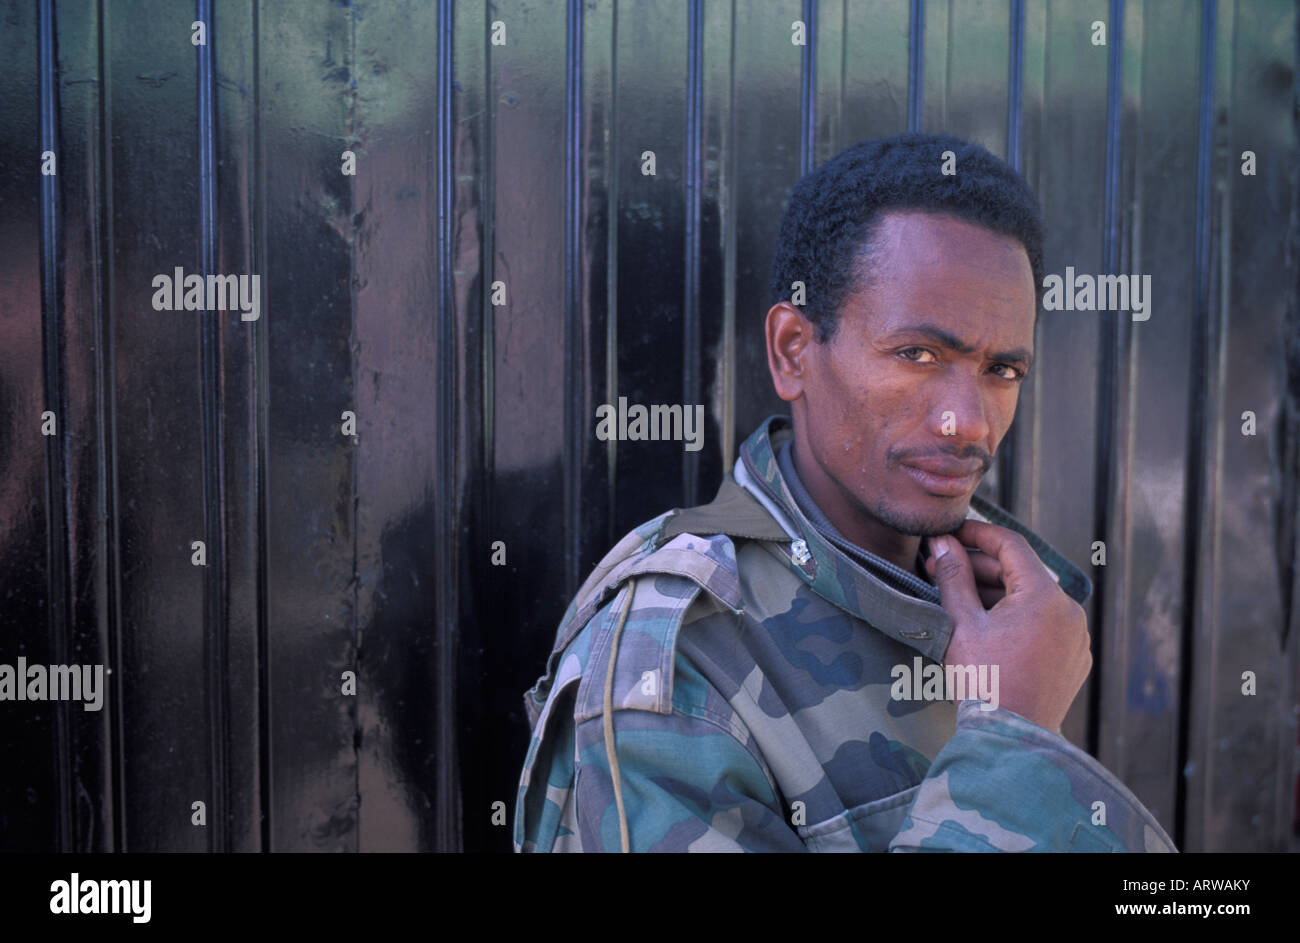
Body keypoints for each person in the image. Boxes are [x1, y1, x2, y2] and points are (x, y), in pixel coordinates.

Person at [513, 132, 1177, 853]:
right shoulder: (672, 661)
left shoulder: (1003, 605)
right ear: (793, 351)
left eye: (1003, 369)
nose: (969, 421)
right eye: (918, 354)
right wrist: (1010, 742)